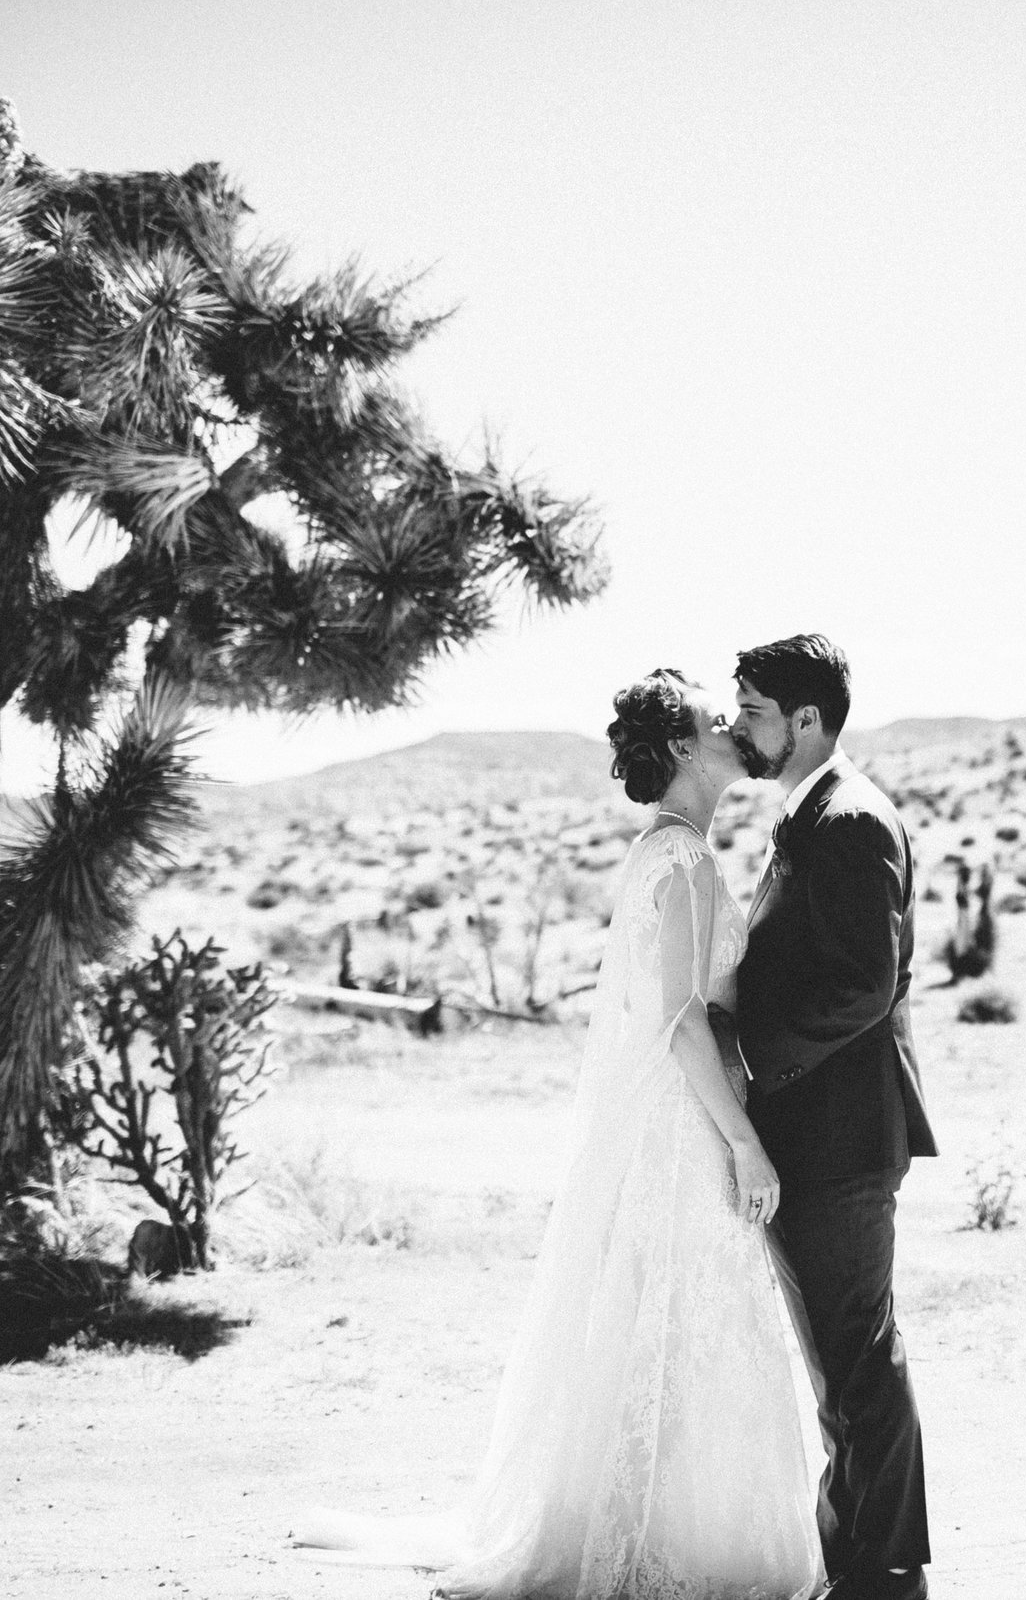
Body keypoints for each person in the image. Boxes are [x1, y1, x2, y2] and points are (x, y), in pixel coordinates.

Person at [300, 669, 827, 1600]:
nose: (728, 727)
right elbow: (679, 1021)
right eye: (714, 720)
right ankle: (674, 1538)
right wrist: (745, 1142)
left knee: (652, 1316)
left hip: (665, 1118)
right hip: (685, 1125)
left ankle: (653, 1520)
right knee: (675, 1314)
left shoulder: (662, 853)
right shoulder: (689, 863)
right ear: (678, 751)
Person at [727, 634, 937, 1600]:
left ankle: (884, 1566)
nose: (738, 725)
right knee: (840, 1350)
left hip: (841, 1135)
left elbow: (863, 982)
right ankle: (858, 1546)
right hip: (818, 1130)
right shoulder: (814, 812)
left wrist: (754, 1059)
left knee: (855, 1348)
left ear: (805, 718)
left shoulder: (850, 819)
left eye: (753, 708)